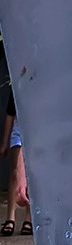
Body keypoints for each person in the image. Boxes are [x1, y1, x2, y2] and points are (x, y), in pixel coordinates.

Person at [1, 92, 29, 236]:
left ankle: (30, 218)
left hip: (36, 133)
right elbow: (10, 113)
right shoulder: (17, 85)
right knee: (14, 173)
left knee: (33, 176)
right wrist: (5, 142)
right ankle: (10, 217)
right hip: (18, 133)